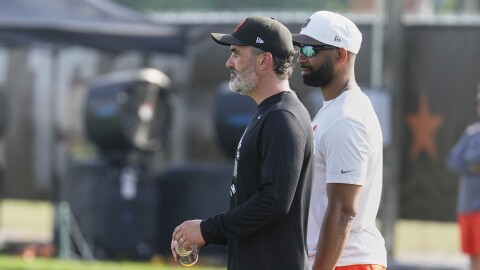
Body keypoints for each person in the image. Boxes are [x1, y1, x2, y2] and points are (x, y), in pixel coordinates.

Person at [171, 16, 314, 270]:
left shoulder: (283, 117)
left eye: (236, 53)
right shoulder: (269, 112)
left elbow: (273, 201)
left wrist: (207, 230)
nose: (229, 62)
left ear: (264, 60)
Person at [292, 11, 387, 269]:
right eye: (300, 48)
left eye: (311, 50)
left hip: (348, 262)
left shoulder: (347, 117)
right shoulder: (336, 110)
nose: (301, 57)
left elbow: (344, 210)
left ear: (340, 55)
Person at [446, 85, 480, 270]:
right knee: (473, 255)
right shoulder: (471, 133)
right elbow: (452, 160)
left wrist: (470, 160)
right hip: (467, 206)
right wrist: (473, 165)